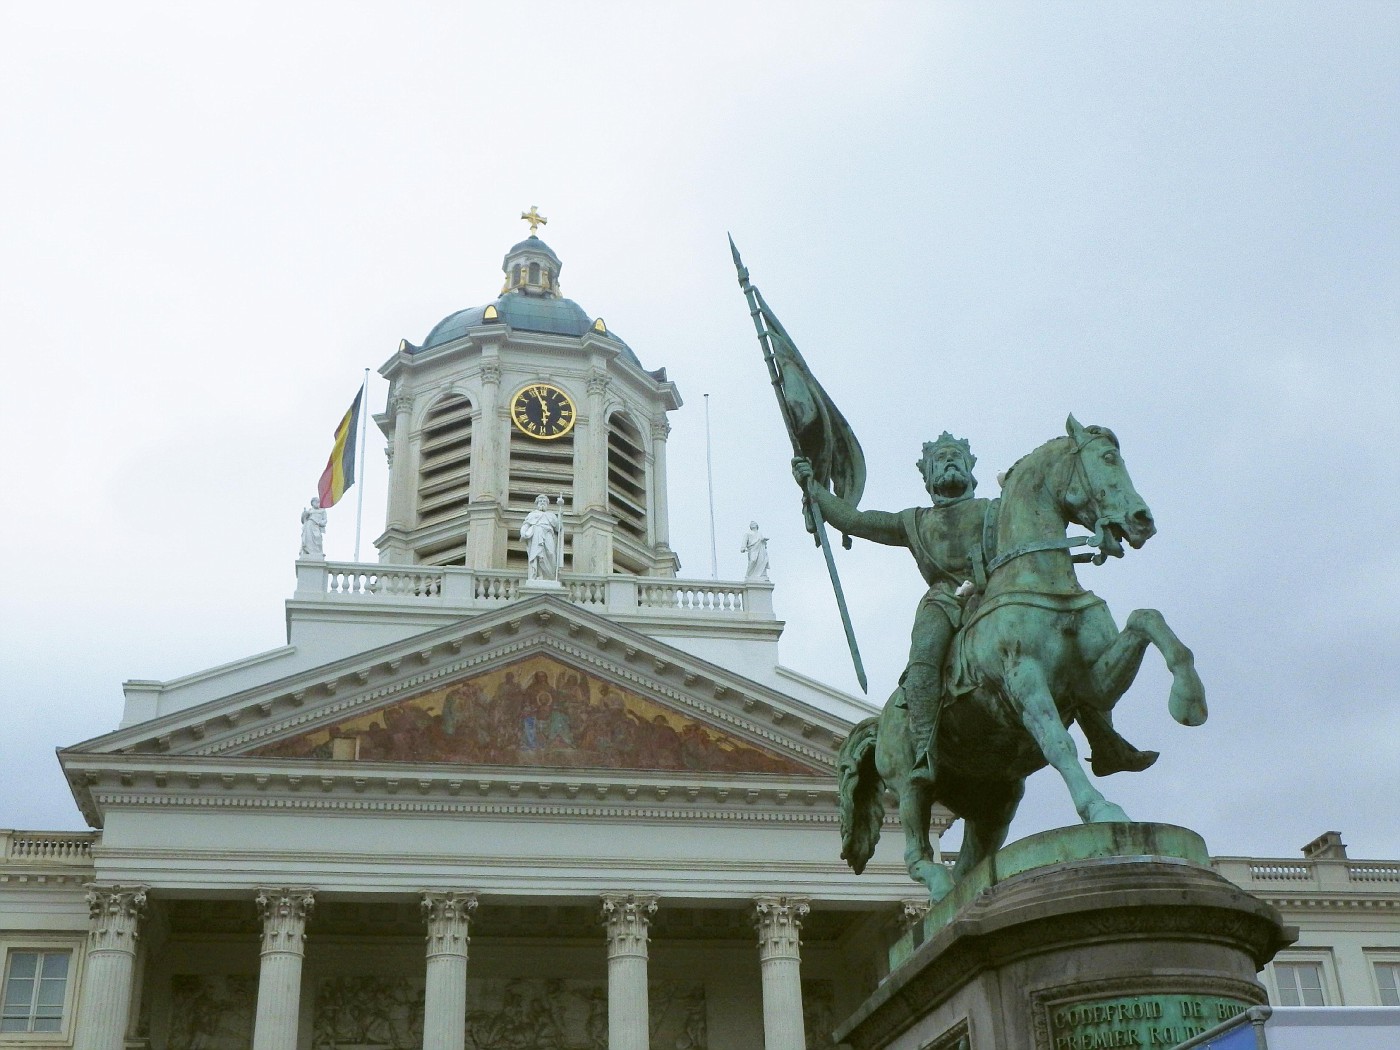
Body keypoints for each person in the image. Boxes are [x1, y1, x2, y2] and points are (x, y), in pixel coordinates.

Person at [794, 431, 1154, 783]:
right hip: (944, 602)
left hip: (997, 592)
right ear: (928, 475)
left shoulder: (995, 510)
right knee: (924, 661)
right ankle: (923, 749)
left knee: (1067, 643)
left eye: (956, 457)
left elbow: (1054, 510)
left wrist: (1104, 523)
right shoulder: (913, 521)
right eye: (940, 459)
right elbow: (855, 521)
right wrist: (815, 489)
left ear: (970, 469)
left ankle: (1104, 740)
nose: (949, 461)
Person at [520, 494, 563, 580]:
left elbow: (558, 528)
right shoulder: (532, 514)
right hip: (537, 533)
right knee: (538, 555)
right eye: (540, 501)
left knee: (551, 553)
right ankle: (539, 575)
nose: (542, 503)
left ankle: (550, 576)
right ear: (537, 503)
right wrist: (523, 532)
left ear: (547, 504)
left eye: (544, 501)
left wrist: (560, 515)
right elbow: (526, 525)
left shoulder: (551, 515)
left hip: (548, 534)